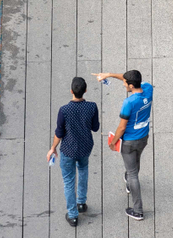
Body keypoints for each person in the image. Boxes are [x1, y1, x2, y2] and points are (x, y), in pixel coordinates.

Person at [95, 67, 153, 220]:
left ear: (131, 86)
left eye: (125, 83)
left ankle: (138, 210)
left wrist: (113, 142)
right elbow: (128, 78)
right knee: (136, 162)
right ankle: (129, 181)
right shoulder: (148, 89)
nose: (123, 84)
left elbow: (121, 127)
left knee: (133, 174)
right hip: (143, 137)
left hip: (128, 142)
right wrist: (110, 74)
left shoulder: (129, 102)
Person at [47, 77, 100, 227]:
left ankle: (73, 215)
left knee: (69, 182)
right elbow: (95, 128)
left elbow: (59, 133)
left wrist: (53, 148)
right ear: (85, 91)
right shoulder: (92, 107)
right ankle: (81, 203)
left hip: (68, 150)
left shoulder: (64, 110)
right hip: (85, 147)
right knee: (83, 170)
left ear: (71, 91)